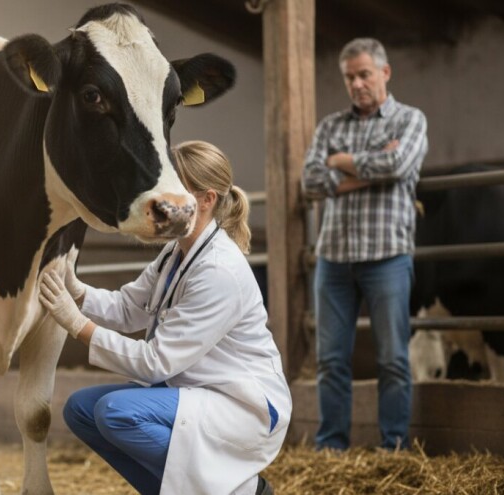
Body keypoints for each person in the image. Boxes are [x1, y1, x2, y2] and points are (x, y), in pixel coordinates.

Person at [39, 140, 291, 495]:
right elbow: (130, 308)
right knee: (81, 409)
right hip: (194, 389)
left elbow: (156, 362)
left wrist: (77, 325)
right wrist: (77, 291)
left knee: (115, 411)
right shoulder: (177, 251)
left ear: (207, 200)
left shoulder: (220, 270)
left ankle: (244, 490)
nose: (165, 196)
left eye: (180, 188)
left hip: (242, 406)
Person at [301, 38, 428, 451]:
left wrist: (341, 162)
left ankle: (393, 445)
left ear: (385, 73)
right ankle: (331, 447)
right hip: (334, 259)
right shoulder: (329, 126)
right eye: (350, 77)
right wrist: (368, 168)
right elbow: (311, 181)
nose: (356, 84)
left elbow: (398, 164)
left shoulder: (410, 119)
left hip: (387, 257)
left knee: (392, 358)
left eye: (364, 74)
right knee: (331, 360)